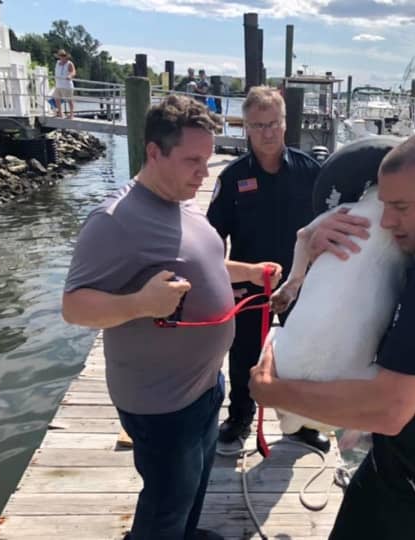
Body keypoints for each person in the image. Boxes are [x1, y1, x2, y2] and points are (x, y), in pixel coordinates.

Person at [250, 132, 415, 540]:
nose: (387, 220)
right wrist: (312, 245)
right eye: (382, 205)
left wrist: (272, 391)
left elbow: (389, 410)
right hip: (399, 468)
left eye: (400, 207)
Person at [62, 94, 282, 540]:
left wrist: (250, 272)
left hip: (202, 387)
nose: (204, 172)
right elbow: (73, 306)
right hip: (161, 405)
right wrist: (140, 304)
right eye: (192, 161)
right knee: (166, 503)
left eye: (208, 159)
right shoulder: (114, 221)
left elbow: (203, 262)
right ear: (154, 152)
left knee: (193, 485)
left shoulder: (179, 201)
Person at [207, 85, 329, 451]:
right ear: (246, 127)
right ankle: (240, 417)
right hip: (251, 283)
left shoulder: (312, 172)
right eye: (258, 125)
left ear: (285, 123)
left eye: (273, 123)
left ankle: (298, 423)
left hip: (301, 283)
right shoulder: (231, 179)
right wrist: (234, 276)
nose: (267, 132)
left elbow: (330, 226)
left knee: (303, 354)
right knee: (244, 352)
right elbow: (212, 241)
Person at [53, 49, 76, 119]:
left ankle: (71, 114)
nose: (62, 57)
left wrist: (70, 76)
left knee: (70, 99)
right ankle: (60, 113)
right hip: (58, 85)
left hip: (67, 85)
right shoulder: (57, 63)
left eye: (63, 55)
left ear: (66, 56)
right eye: (60, 56)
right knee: (56, 98)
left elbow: (73, 72)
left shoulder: (69, 63)